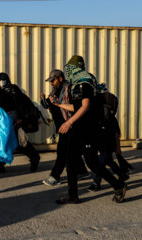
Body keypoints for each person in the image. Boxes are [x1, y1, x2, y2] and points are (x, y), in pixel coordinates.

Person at [55, 55, 127, 204]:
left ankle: (119, 185)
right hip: (78, 128)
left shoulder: (84, 81)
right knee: (71, 160)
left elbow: (86, 106)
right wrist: (58, 104)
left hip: (88, 129)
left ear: (74, 67)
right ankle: (72, 195)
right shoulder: (78, 82)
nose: (67, 71)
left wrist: (68, 122)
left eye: (69, 67)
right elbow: (76, 107)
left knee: (92, 162)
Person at [0, 69, 40, 173]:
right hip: (6, 120)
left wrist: (21, 119)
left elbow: (21, 104)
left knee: (19, 143)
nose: (2, 82)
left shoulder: (14, 89)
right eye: (0, 80)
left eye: (3, 79)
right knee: (4, 141)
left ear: (8, 80)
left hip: (17, 120)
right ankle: (0, 166)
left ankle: (35, 157)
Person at [41, 70, 90, 186]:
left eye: (53, 80)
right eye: (50, 81)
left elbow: (76, 107)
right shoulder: (55, 91)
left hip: (69, 125)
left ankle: (55, 176)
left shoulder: (69, 89)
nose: (51, 83)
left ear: (60, 78)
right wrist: (43, 99)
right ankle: (83, 172)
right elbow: (48, 104)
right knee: (72, 152)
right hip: (61, 126)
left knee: (62, 152)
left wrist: (69, 122)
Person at [88, 114, 130, 191]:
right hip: (99, 144)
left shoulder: (111, 118)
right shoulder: (95, 117)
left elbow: (117, 133)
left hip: (108, 145)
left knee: (100, 163)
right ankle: (122, 174)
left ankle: (96, 183)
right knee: (108, 161)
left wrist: (118, 147)